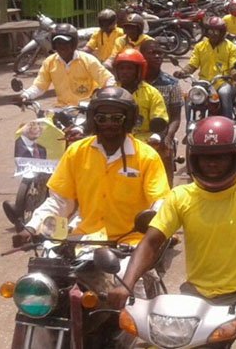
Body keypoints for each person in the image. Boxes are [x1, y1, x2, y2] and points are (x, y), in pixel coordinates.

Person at [108, 103, 236, 349]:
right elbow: (152, 241)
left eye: (220, 156)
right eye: (206, 157)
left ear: (235, 156)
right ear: (195, 158)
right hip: (195, 297)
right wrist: (126, 283)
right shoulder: (180, 196)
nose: (212, 163)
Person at [12, 86, 169, 246]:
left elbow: (159, 202)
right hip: (86, 238)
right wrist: (32, 227)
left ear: (128, 120)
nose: (108, 124)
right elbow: (60, 201)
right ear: (93, 120)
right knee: (44, 265)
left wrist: (153, 224)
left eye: (116, 119)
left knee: (124, 272)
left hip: (131, 241)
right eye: (102, 118)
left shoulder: (147, 156)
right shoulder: (76, 152)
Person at [21, 23, 115, 107]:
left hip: (85, 109)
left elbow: (108, 79)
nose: (62, 46)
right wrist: (26, 95)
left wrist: (105, 95)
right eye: (58, 43)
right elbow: (40, 86)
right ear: (54, 45)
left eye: (66, 43)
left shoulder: (87, 60)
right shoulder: (49, 62)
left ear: (73, 44)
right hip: (61, 109)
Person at [174, 17, 236, 119]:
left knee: (225, 93)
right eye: (210, 30)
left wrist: (235, 72)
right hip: (204, 83)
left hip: (222, 83)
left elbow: (234, 63)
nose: (213, 33)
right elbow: (192, 64)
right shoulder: (199, 46)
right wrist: (182, 72)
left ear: (222, 32)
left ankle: (229, 122)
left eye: (216, 31)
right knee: (188, 97)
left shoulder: (231, 47)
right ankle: (189, 127)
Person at [140, 40, 183, 185]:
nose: (158, 56)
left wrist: (168, 137)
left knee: (165, 155)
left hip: (161, 135)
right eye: (153, 53)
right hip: (135, 134)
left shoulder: (172, 83)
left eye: (160, 53)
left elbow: (176, 117)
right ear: (142, 56)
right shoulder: (133, 82)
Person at [111, 49, 168, 145]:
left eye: (129, 68)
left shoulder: (152, 93)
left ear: (139, 71)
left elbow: (160, 119)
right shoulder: (110, 92)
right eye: (121, 68)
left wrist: (156, 137)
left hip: (145, 142)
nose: (124, 72)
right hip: (114, 139)